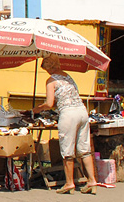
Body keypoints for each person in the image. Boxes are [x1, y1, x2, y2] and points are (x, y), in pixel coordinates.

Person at [34, 55, 99, 194]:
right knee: (84, 148)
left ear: (49, 67)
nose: (47, 72)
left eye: (46, 69)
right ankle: (92, 180)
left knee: (67, 149)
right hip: (82, 111)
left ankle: (69, 183)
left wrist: (38, 108)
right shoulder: (67, 76)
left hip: (68, 114)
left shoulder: (51, 81)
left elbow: (50, 103)